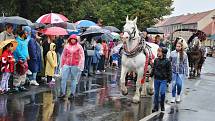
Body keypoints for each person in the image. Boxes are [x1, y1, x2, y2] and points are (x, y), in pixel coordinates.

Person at [59, 34, 84, 99]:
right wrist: (62, 64)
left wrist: (80, 65)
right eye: (71, 39)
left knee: (73, 79)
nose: (73, 40)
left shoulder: (79, 47)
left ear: (76, 40)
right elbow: (63, 55)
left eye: (74, 39)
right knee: (63, 78)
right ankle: (63, 93)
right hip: (66, 64)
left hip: (75, 65)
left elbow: (82, 57)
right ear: (70, 39)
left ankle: (72, 93)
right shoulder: (66, 46)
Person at [151, 47, 172, 112]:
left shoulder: (167, 61)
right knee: (156, 94)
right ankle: (155, 106)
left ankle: (162, 104)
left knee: (162, 93)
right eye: (158, 51)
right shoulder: (156, 60)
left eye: (159, 51)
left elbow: (169, 71)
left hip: (164, 79)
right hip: (156, 79)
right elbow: (154, 68)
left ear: (163, 53)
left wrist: (169, 79)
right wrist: (151, 75)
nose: (158, 53)